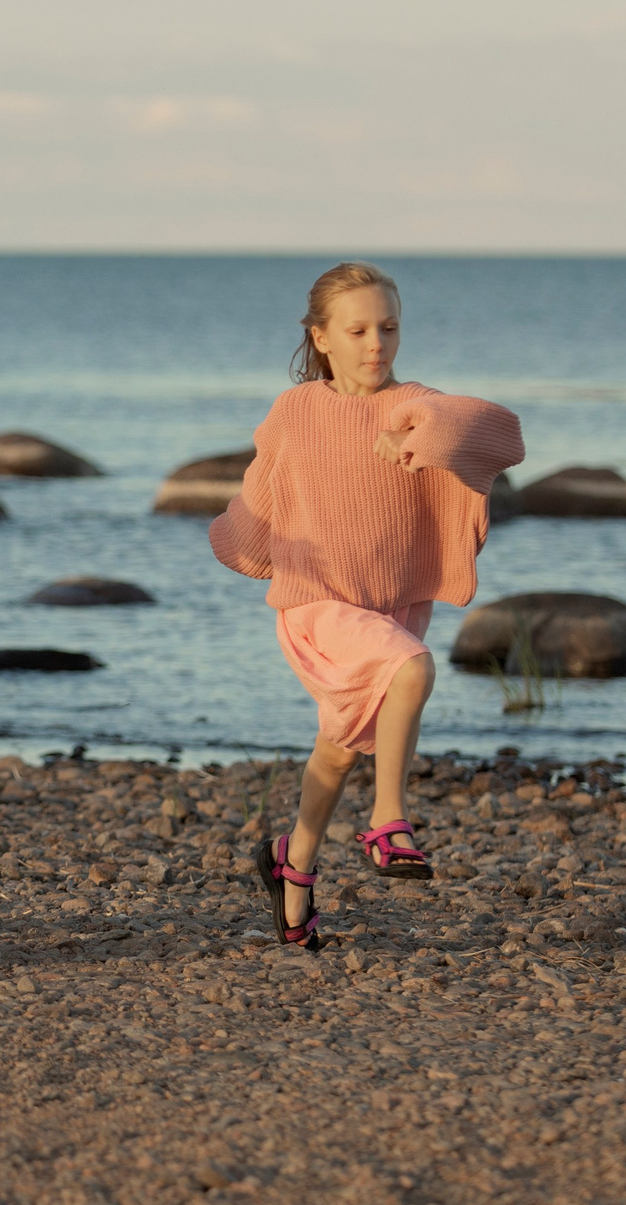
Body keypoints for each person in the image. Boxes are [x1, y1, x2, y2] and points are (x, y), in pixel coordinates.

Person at [208, 262, 524, 950]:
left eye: (388, 326)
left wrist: (422, 431)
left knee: (341, 748)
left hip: (389, 604)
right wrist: (235, 539)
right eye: (357, 329)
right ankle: (390, 820)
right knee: (412, 669)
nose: (375, 342)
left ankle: (293, 863)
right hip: (317, 604)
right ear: (321, 337)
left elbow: (503, 435)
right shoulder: (296, 410)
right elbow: (264, 495)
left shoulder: (415, 401)